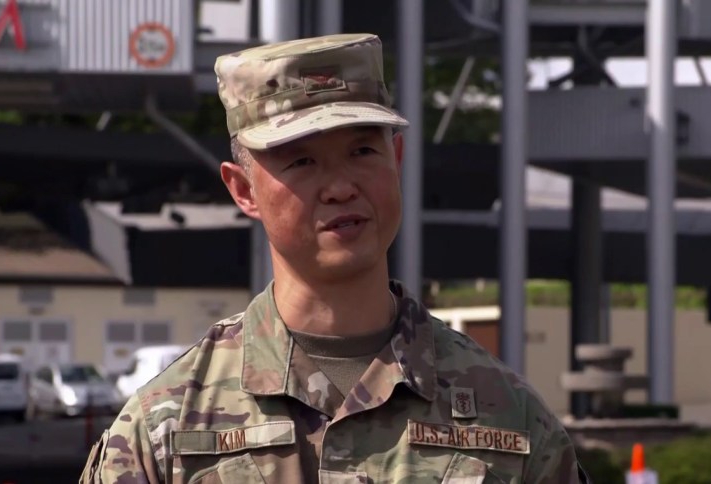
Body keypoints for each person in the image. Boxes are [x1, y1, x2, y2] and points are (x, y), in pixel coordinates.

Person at [80, 32, 590, 484]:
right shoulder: (166, 428)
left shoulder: (511, 419)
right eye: (302, 161)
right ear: (244, 190)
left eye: (362, 152)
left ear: (397, 159)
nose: (341, 187)